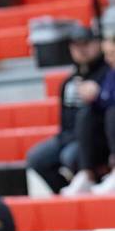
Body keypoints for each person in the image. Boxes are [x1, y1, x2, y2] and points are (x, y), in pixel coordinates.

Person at [27, 24, 107, 193]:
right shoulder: (68, 81)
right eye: (76, 45)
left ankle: (90, 186)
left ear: (97, 44)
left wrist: (98, 96)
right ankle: (64, 192)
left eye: (86, 44)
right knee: (36, 158)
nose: (81, 50)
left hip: (97, 138)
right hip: (68, 136)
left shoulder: (107, 75)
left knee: (70, 156)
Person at [61, 24, 115, 196]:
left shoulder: (104, 72)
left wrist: (98, 95)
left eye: (112, 54)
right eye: (107, 54)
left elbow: (108, 101)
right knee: (87, 113)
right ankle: (86, 174)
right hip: (100, 132)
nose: (108, 59)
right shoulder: (110, 74)